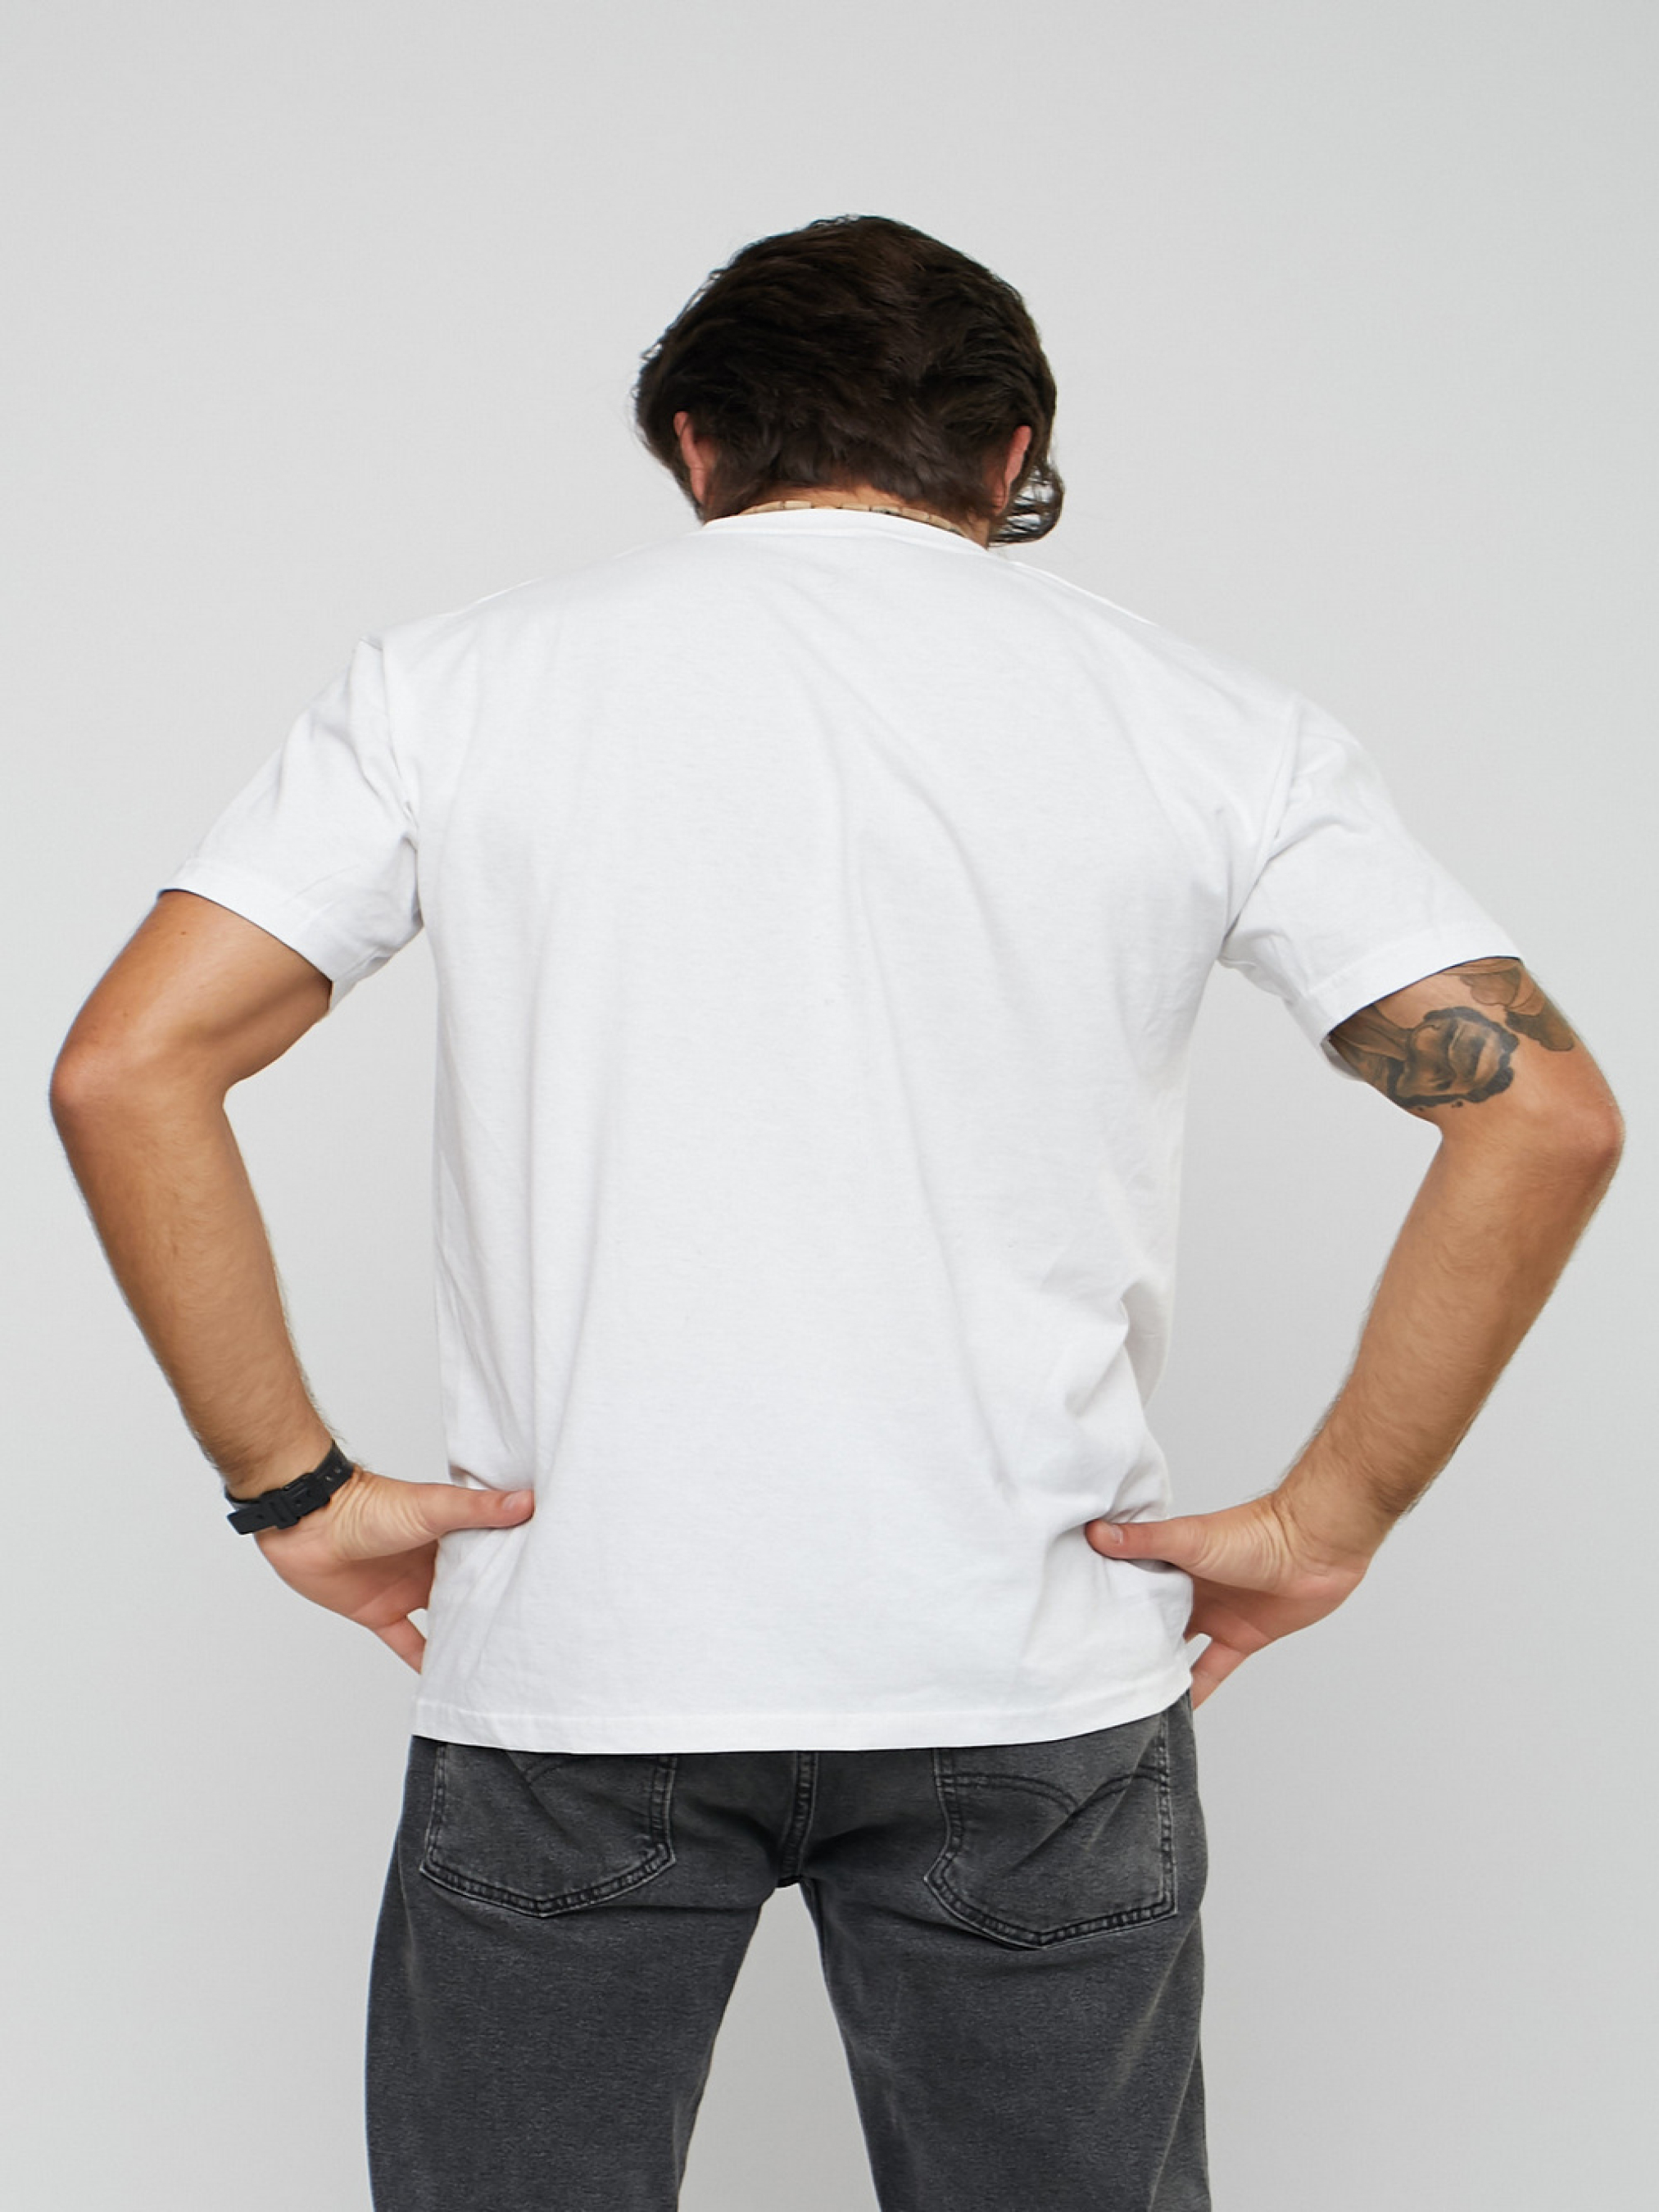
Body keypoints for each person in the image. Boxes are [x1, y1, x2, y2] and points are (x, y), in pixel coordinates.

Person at [49, 215, 1621, 2212]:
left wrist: (292, 1488)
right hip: (1028, 1678)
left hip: (582, 1664)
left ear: (696, 447)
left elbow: (128, 1068)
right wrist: (1331, 1519)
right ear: (1009, 454)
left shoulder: (452, 689)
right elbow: (1539, 1117)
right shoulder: (1212, 728)